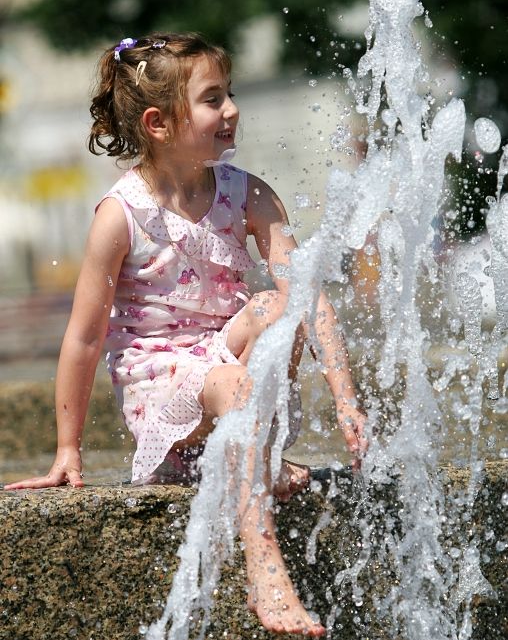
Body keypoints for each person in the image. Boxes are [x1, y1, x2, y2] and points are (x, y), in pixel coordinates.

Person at [5, 33, 367, 636]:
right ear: (158, 122)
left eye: (230, 94)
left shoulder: (247, 194)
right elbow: (84, 339)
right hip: (162, 386)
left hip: (225, 359)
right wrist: (68, 449)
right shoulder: (121, 216)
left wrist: (347, 401)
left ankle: (259, 452)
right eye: (212, 99)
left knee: (282, 302)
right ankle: (263, 567)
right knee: (230, 380)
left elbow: (311, 297)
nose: (232, 111)